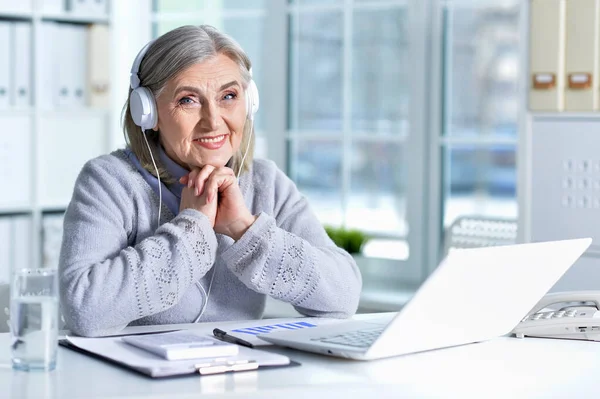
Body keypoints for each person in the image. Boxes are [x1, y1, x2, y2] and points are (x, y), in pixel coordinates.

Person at [59, 25, 362, 337]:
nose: (213, 121)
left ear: (249, 102)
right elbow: (83, 311)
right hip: (130, 378)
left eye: (229, 96)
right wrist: (192, 227)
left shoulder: (265, 182)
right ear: (147, 113)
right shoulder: (109, 181)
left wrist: (245, 229)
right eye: (188, 100)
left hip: (240, 375)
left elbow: (343, 296)